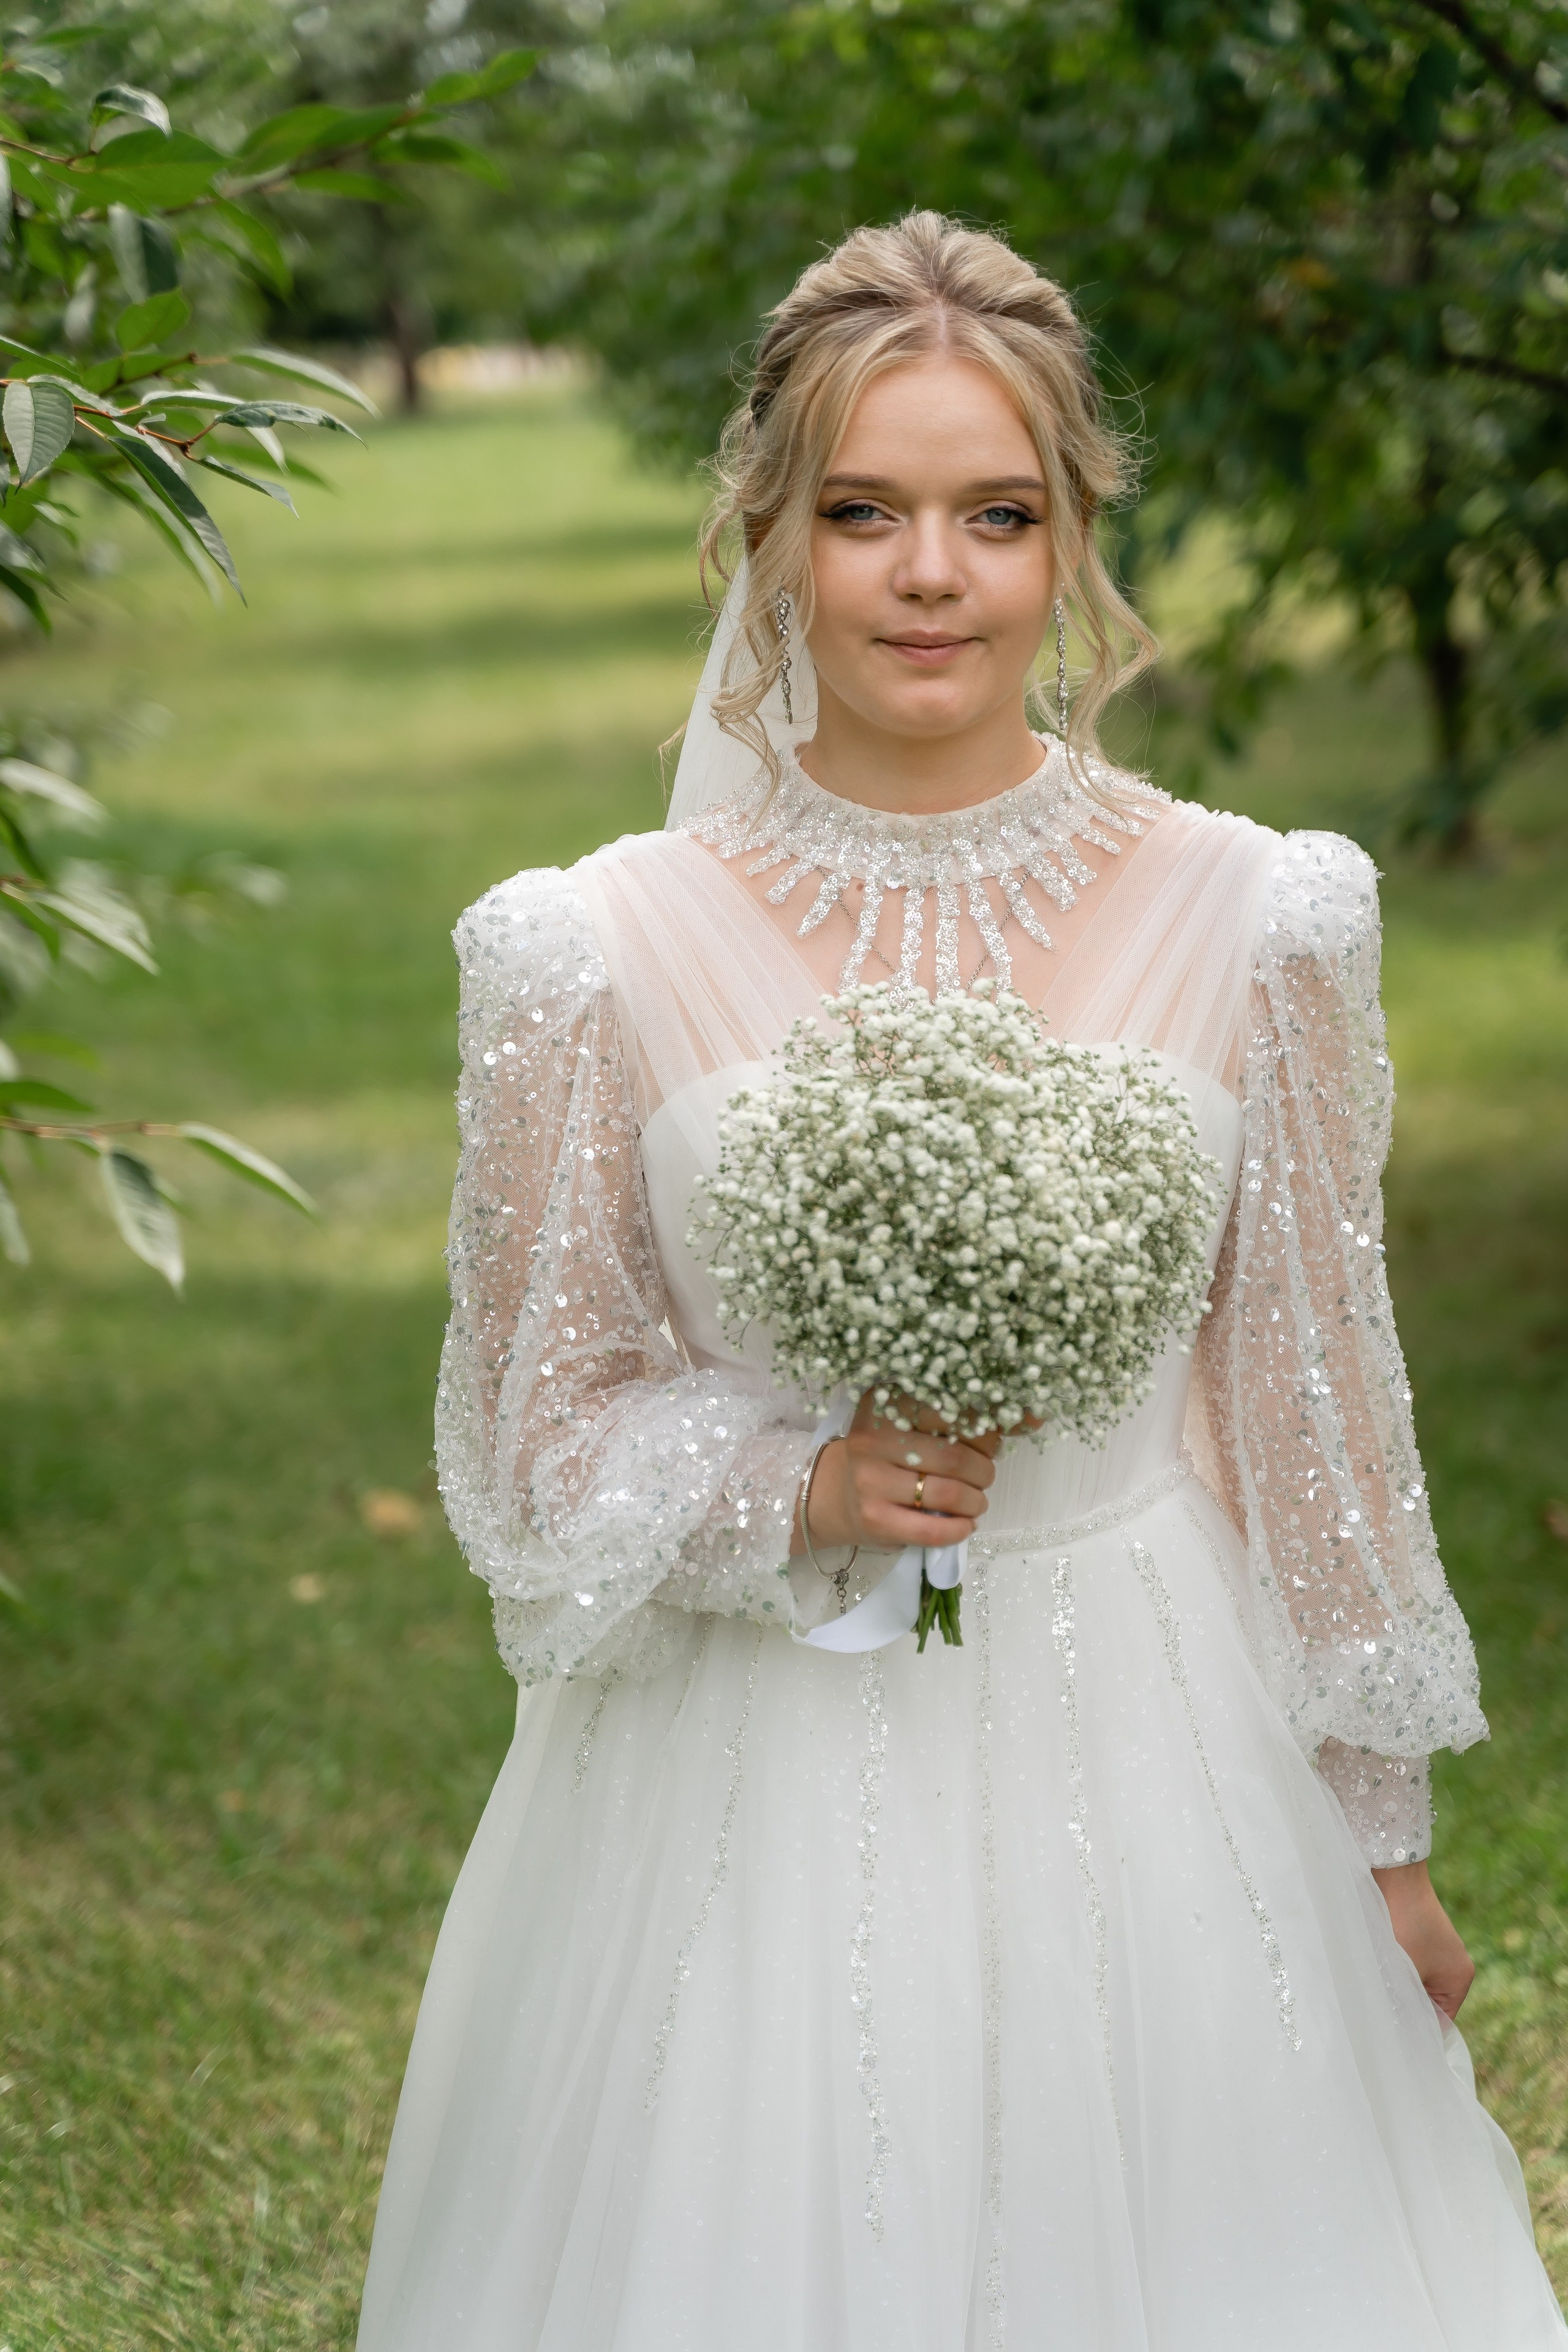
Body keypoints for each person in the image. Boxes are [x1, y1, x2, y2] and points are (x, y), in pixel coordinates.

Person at [356, 214, 1567, 2351]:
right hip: (757, 1767)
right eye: (866, 513)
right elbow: (544, 1449)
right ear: (768, 540)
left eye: (997, 515)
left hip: (1163, 1743)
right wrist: (800, 1490)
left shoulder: (1260, 914)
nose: (933, 574)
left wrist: (1379, 1840)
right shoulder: (591, 947)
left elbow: (1306, 1404)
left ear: (1075, 537)